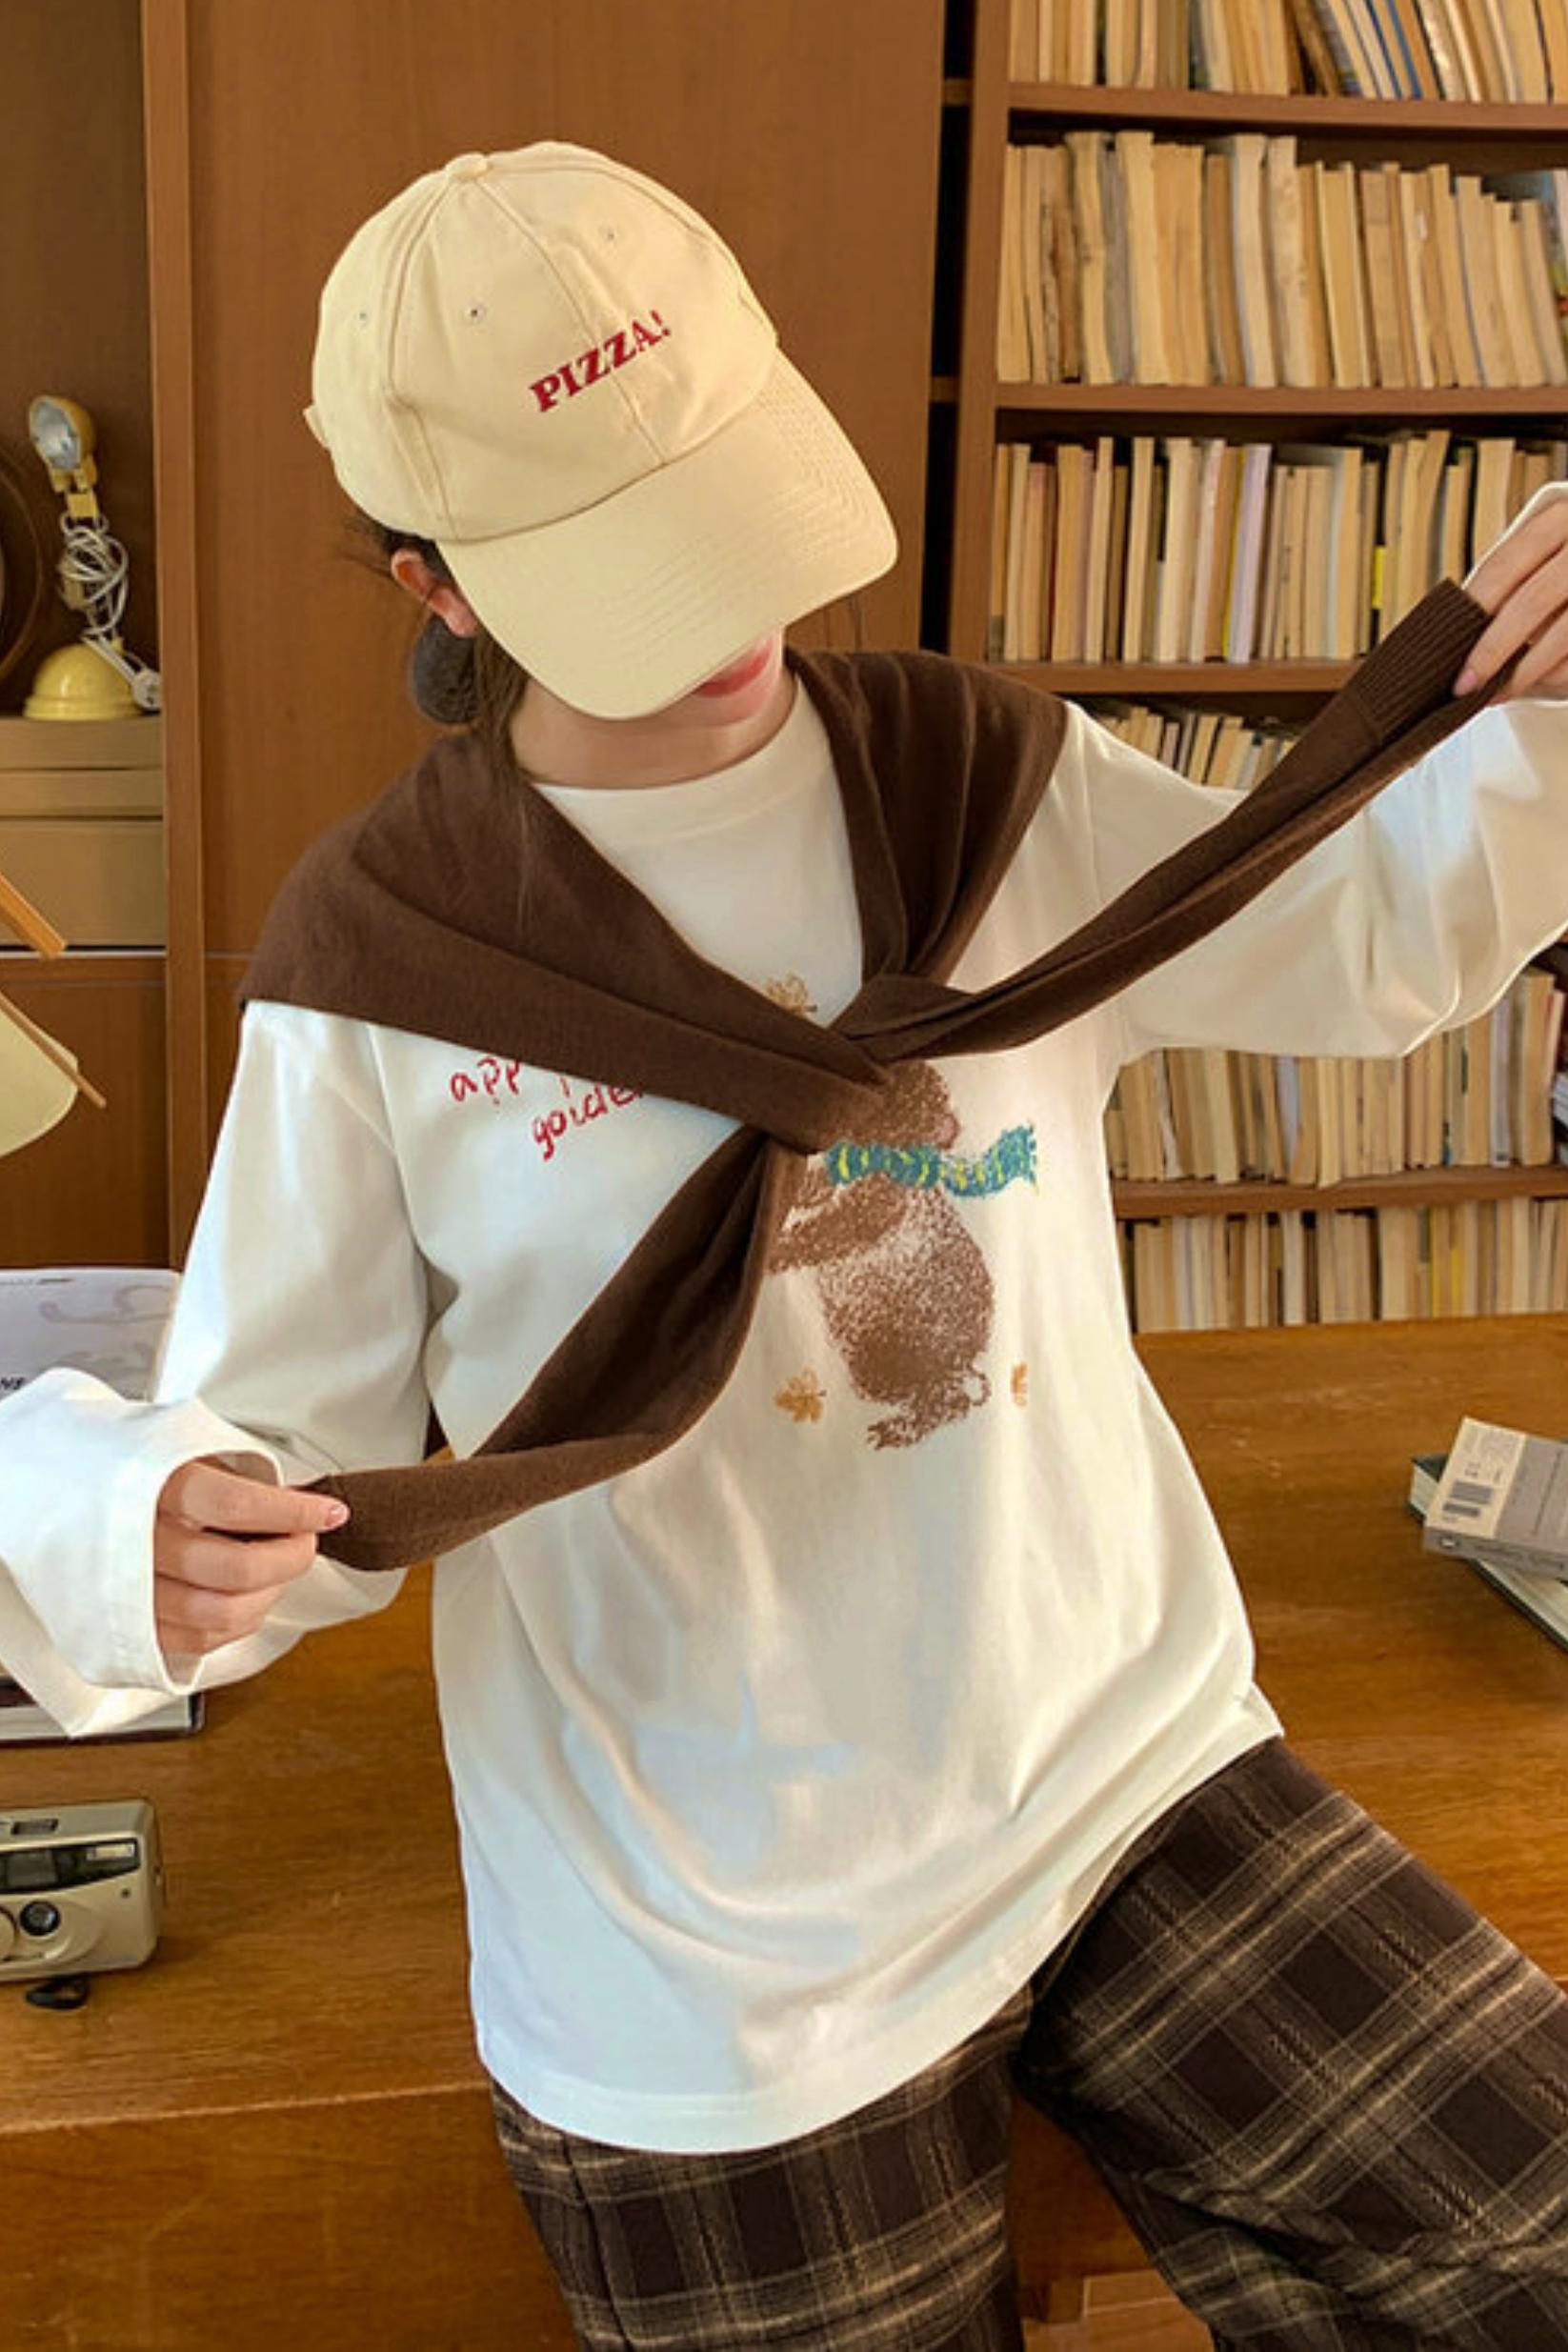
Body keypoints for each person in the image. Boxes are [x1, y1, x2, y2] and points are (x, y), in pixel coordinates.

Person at [3, 139, 1568, 2352]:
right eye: (625, 563)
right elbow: (281, 1470)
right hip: (704, 1954)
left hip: (1116, 1764)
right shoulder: (383, 966)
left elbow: (1358, 938)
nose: (732, 616)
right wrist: (135, 1524)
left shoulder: (976, 777)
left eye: (728, 498)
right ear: (435, 586)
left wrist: (1536, 708)